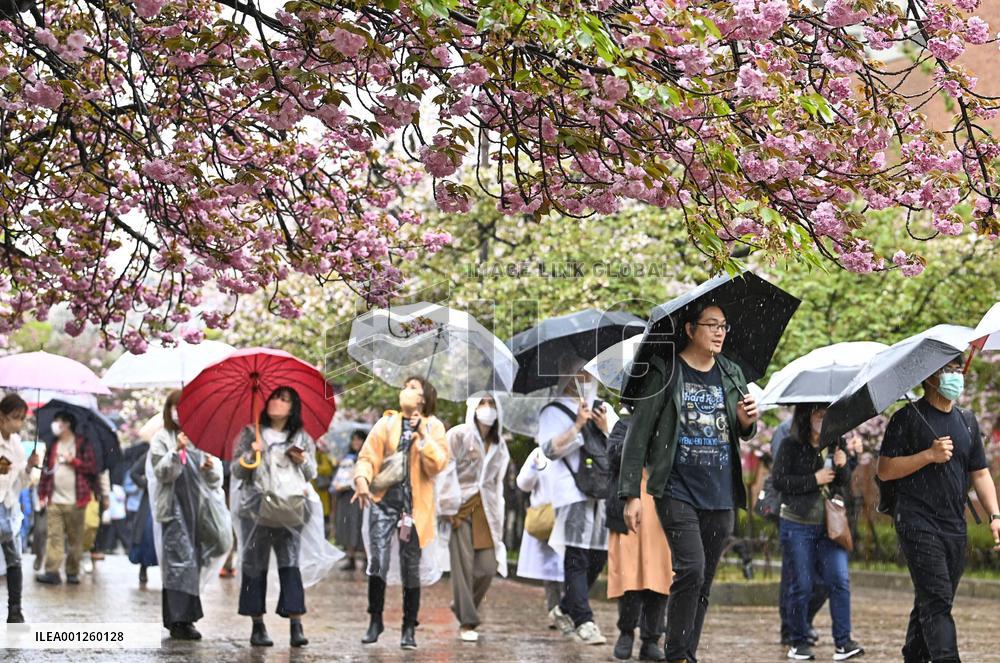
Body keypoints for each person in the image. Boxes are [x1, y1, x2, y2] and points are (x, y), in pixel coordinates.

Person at [620, 302, 759, 663]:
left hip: (720, 491)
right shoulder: (665, 372)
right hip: (676, 489)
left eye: (723, 326)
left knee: (703, 580)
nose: (719, 332)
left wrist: (747, 422)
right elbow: (638, 434)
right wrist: (630, 494)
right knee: (691, 569)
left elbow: (741, 429)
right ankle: (677, 655)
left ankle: (686, 653)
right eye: (711, 325)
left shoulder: (731, 372)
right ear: (689, 329)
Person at [877, 357, 1000, 663]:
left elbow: (980, 473)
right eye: (948, 370)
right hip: (916, 520)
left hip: (954, 524)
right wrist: (928, 455)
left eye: (959, 370)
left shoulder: (967, 421)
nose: (956, 376)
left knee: (933, 599)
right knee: (937, 600)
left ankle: (914, 656)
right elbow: (885, 470)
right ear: (930, 377)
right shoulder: (906, 418)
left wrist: (995, 515)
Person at [353, 377, 449, 650]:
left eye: (414, 387)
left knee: (410, 567)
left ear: (424, 397)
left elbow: (438, 464)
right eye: (406, 386)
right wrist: (361, 479)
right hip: (383, 503)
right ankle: (375, 620)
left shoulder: (434, 426)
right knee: (377, 561)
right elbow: (368, 457)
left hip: (414, 509)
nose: (407, 390)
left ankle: (409, 627)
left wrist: (423, 437)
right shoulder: (386, 424)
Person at [232, 386, 328, 648]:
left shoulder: (301, 436)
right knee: (254, 566)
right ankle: (257, 625)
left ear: (292, 407)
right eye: (274, 397)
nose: (277, 402)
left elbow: (311, 473)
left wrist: (301, 459)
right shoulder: (251, 433)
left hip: (291, 508)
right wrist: (251, 454)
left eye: (284, 399)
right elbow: (237, 471)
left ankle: (296, 624)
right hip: (255, 510)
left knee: (290, 564)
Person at [772, 403, 864, 661]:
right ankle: (798, 641)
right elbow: (779, 481)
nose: (823, 419)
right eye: (818, 413)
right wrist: (814, 479)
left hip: (830, 527)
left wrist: (844, 465)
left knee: (839, 580)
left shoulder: (836, 443)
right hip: (797, 525)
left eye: (827, 414)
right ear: (806, 415)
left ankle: (843, 642)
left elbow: (842, 482)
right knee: (801, 585)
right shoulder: (791, 445)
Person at [538, 355, 612, 646]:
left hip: (601, 491)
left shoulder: (602, 407)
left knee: (598, 556)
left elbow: (621, 445)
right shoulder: (553, 411)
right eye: (577, 372)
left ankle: (565, 607)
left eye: (588, 371)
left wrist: (604, 427)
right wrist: (578, 425)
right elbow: (549, 450)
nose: (584, 377)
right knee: (577, 554)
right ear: (566, 375)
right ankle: (584, 620)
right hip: (571, 491)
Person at [149, 390, 228, 641]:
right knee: (177, 565)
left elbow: (215, 480)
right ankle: (177, 620)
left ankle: (189, 618)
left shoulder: (203, 438)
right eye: (175, 407)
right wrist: (176, 451)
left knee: (193, 564)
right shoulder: (162, 439)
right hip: (174, 511)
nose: (179, 412)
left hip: (200, 511)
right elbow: (162, 474)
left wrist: (209, 468)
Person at [441, 394, 510, 642]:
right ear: (473, 407)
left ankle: (461, 605)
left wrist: (498, 511)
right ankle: (467, 622)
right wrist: (447, 505)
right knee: (463, 566)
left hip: (486, 510)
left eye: (492, 404)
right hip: (459, 507)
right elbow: (445, 469)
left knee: (487, 568)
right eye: (482, 403)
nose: (487, 409)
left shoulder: (499, 445)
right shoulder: (458, 435)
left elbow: (497, 483)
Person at [606, 410, 670, 661]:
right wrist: (640, 436)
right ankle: (626, 632)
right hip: (628, 515)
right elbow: (613, 457)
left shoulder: (670, 426)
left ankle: (651, 638)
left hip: (663, 515)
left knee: (659, 577)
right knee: (629, 577)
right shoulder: (624, 426)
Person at [36, 410, 98, 585]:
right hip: (54, 499)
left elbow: (92, 468)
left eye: (58, 421)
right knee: (53, 537)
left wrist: (74, 461)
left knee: (75, 539)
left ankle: (72, 571)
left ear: (67, 424)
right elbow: (46, 472)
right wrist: (42, 493)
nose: (55, 425)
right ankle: (52, 571)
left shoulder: (82, 444)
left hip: (76, 500)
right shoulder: (53, 444)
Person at [515, 445, 565, 628]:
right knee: (551, 568)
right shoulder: (538, 453)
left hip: (567, 515)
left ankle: (568, 609)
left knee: (570, 564)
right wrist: (534, 467)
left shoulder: (572, 449)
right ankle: (555, 610)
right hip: (545, 518)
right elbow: (523, 484)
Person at [0, 394, 39, 621]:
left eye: (23, 418)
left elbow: (20, 482)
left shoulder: (16, 444)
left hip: (9, 507)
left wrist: (29, 467)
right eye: (16, 417)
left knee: (14, 560)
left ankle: (15, 610)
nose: (19, 422)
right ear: (2, 416)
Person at [332, 430, 366, 571]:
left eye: (359, 440)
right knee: (347, 526)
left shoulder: (366, 457)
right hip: (344, 496)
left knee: (360, 525)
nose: (356, 442)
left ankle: (366, 559)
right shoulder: (346, 457)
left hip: (360, 495)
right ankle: (350, 557)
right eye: (354, 440)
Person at [127, 449, 157, 585]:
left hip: (170, 501)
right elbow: (134, 473)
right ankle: (144, 566)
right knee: (147, 535)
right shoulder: (152, 453)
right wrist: (148, 485)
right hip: (150, 502)